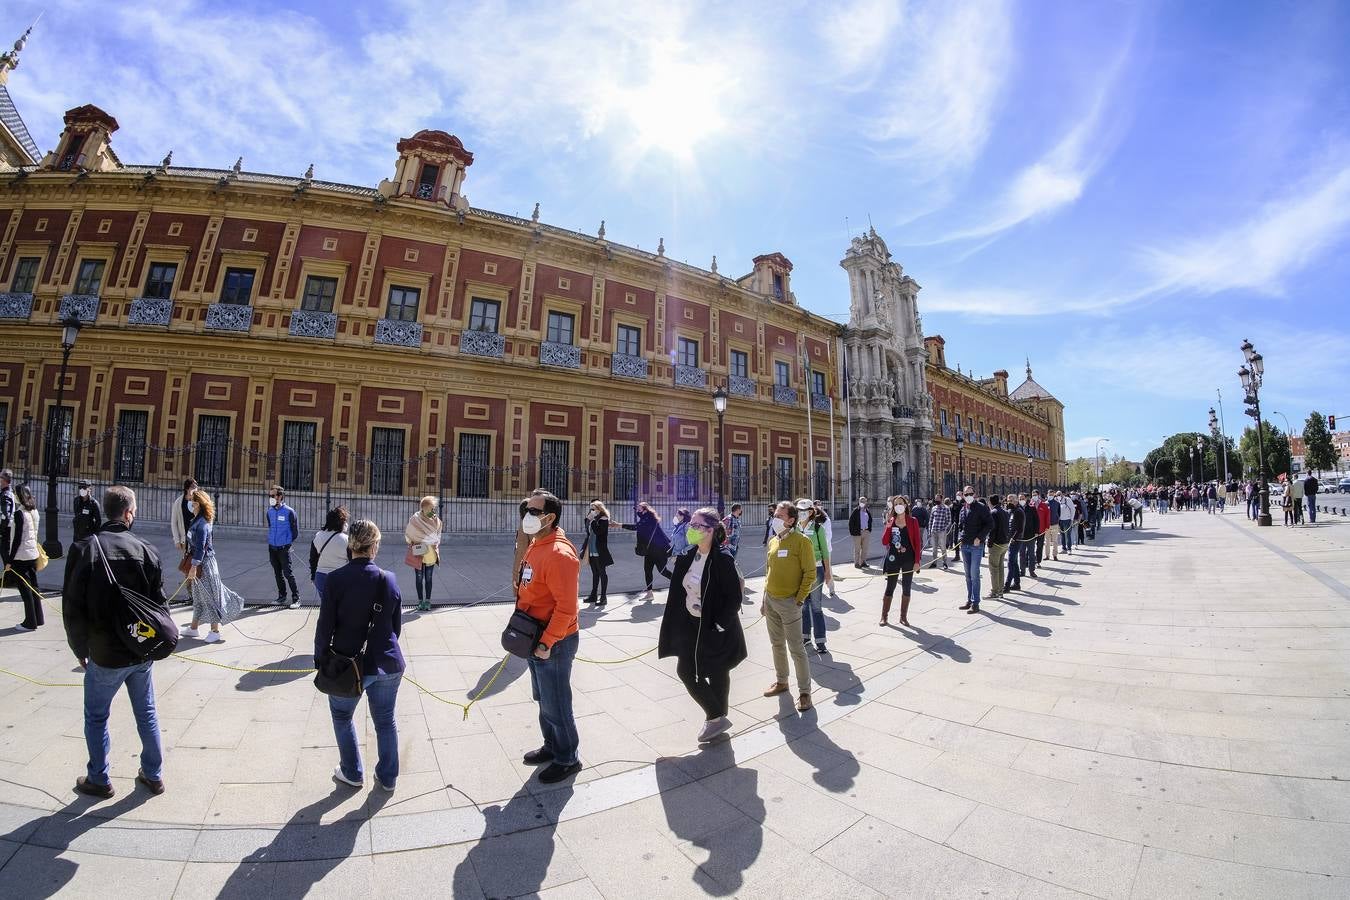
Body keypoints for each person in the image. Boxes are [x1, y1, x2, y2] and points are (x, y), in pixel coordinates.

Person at [61, 485, 167, 798]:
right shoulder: (146, 550)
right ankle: (153, 774)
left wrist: (80, 648)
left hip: (103, 652)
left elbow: (71, 606)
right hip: (140, 650)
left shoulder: (84, 549)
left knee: (96, 716)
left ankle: (99, 778)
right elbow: (159, 606)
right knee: (146, 713)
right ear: (129, 513)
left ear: (105, 510)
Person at [316, 519, 405, 792]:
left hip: (346, 664)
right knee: (385, 720)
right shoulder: (388, 579)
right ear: (374, 546)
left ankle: (352, 772)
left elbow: (325, 626)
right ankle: (388, 777)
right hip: (387, 662)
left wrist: (321, 660)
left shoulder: (335, 580)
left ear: (351, 545)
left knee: (342, 717)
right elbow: (396, 626)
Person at [658, 507, 748, 743]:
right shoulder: (689, 556)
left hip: (715, 627)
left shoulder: (723, 559)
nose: (691, 529)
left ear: (711, 530)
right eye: (691, 525)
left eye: (697, 526)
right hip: (691, 624)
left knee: (718, 670)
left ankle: (716, 719)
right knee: (685, 670)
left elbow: (734, 597)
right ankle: (717, 715)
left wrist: (719, 624)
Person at [516, 490, 583, 784]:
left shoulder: (559, 553)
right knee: (542, 698)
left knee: (556, 701)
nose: (526, 515)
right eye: (526, 509)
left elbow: (567, 607)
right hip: (533, 634)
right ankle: (552, 745)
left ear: (549, 517)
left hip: (552, 641)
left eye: (533, 511)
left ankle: (568, 758)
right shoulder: (537, 543)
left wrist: (547, 642)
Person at [761, 500, 815, 712]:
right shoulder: (773, 541)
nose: (775, 519)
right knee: (776, 645)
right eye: (775, 515)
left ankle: (804, 692)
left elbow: (810, 573)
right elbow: (768, 570)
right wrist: (764, 598)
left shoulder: (802, 542)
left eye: (780, 516)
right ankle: (782, 681)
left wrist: (799, 599)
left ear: (791, 520)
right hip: (771, 600)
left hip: (790, 602)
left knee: (796, 649)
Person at [183, 489, 244, 642]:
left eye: (191, 500)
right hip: (199, 563)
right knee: (197, 597)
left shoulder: (203, 523)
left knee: (209, 597)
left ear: (197, 503)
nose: (189, 502)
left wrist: (194, 566)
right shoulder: (196, 519)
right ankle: (193, 628)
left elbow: (201, 547)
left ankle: (215, 631)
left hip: (205, 564)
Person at [879, 495, 922, 627]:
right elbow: (884, 541)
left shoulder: (913, 521)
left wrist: (917, 561)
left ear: (905, 505)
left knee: (906, 586)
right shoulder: (891, 521)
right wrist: (889, 524)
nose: (898, 506)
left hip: (908, 559)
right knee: (890, 586)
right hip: (893, 558)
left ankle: (903, 617)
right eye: (896, 504)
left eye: (900, 503)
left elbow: (917, 542)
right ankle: (884, 616)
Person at [6, 484, 42, 631]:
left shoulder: (20, 514)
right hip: (33, 554)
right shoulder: (34, 511)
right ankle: (38, 618)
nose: (14, 495)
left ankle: (30, 622)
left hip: (22, 556)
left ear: (20, 495)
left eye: (15, 493)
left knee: (25, 590)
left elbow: (17, 539)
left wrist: (9, 560)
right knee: (34, 588)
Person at [797, 499, 831, 654]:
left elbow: (825, 552)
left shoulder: (818, 528)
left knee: (816, 607)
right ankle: (805, 637)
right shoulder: (795, 529)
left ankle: (821, 641)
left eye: (803, 510)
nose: (800, 513)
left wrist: (828, 573)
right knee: (803, 606)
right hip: (799, 571)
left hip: (816, 569)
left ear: (811, 512)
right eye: (798, 510)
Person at [622, 501, 672, 600]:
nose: (638, 509)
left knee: (662, 571)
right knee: (647, 571)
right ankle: (649, 594)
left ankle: (679, 582)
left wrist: (620, 525)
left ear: (645, 510)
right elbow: (640, 518)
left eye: (640, 508)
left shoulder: (650, 519)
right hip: (650, 551)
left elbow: (637, 526)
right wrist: (638, 510)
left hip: (659, 550)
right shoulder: (645, 517)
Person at [957, 486, 991, 614]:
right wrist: (960, 536)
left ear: (974, 494)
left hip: (976, 546)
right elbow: (960, 526)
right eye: (966, 494)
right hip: (964, 545)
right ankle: (969, 600)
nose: (968, 496)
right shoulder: (963, 509)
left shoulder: (981, 507)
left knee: (974, 574)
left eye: (970, 493)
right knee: (967, 575)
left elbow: (989, 524)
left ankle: (976, 602)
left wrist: (980, 537)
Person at [404, 496, 442, 612]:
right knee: (419, 578)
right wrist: (415, 540)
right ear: (423, 508)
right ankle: (420, 601)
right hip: (419, 553)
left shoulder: (436, 521)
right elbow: (408, 535)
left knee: (429, 578)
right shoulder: (415, 519)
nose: (432, 511)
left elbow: (438, 536)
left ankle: (428, 601)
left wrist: (432, 540)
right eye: (430, 508)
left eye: (433, 508)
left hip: (430, 554)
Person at [266, 486, 300, 608]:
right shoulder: (269, 512)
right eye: (269, 496)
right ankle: (282, 597)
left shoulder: (290, 512)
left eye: (273, 495)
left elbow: (295, 531)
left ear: (280, 496)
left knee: (288, 573)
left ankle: (296, 598)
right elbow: (270, 527)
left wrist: (287, 544)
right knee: (277, 573)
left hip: (284, 548)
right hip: (272, 548)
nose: (270, 498)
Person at [309, 505, 350, 603]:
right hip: (340, 577)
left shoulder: (318, 536)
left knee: (326, 606)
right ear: (341, 522)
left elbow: (313, 559)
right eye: (345, 520)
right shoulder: (346, 540)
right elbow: (352, 561)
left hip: (320, 577)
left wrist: (313, 576)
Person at [581, 500, 614, 607]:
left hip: (600, 550)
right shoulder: (594, 519)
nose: (592, 511)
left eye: (594, 509)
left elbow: (599, 532)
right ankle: (593, 595)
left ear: (599, 509)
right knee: (595, 573)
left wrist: (593, 521)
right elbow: (587, 530)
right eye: (591, 509)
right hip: (591, 548)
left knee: (602, 573)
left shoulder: (603, 519)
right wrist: (588, 519)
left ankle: (603, 597)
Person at [169, 478, 197, 596]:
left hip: (197, 538)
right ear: (187, 489)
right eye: (192, 487)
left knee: (197, 565)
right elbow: (173, 522)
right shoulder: (178, 502)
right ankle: (191, 592)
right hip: (185, 539)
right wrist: (176, 540)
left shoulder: (197, 501)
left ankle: (193, 590)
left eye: (196, 487)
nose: (195, 490)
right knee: (188, 565)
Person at [986, 495, 1010, 604]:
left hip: (996, 544)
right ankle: (1000, 591)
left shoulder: (993, 512)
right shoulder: (1005, 511)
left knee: (993, 568)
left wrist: (990, 542)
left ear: (990, 502)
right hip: (1004, 543)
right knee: (1000, 567)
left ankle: (995, 591)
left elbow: (993, 530)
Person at [1004, 494, 1026, 594]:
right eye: (1008, 500)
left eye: (1012, 500)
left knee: (1010, 562)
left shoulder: (1019, 511)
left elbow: (1020, 528)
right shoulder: (1011, 511)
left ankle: (1007, 585)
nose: (1010, 502)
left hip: (1016, 540)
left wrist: (1013, 538)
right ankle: (1017, 583)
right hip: (1011, 540)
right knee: (1014, 562)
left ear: (1016, 501)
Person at [926, 494, 951, 570]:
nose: (936, 501)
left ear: (941, 499)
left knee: (943, 547)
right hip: (934, 531)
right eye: (935, 499)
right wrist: (930, 530)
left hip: (941, 531)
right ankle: (934, 562)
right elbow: (931, 520)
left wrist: (944, 529)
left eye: (938, 499)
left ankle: (945, 562)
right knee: (934, 548)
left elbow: (949, 520)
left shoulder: (946, 508)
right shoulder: (934, 508)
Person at [848, 496, 872, 568]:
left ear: (866, 502)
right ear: (859, 502)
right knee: (857, 549)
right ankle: (857, 563)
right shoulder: (856, 511)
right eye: (861, 501)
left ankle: (863, 562)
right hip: (858, 533)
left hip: (866, 532)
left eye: (864, 501)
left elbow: (870, 520)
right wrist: (853, 532)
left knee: (865, 548)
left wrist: (869, 529)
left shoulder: (867, 511)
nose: (863, 503)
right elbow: (851, 522)